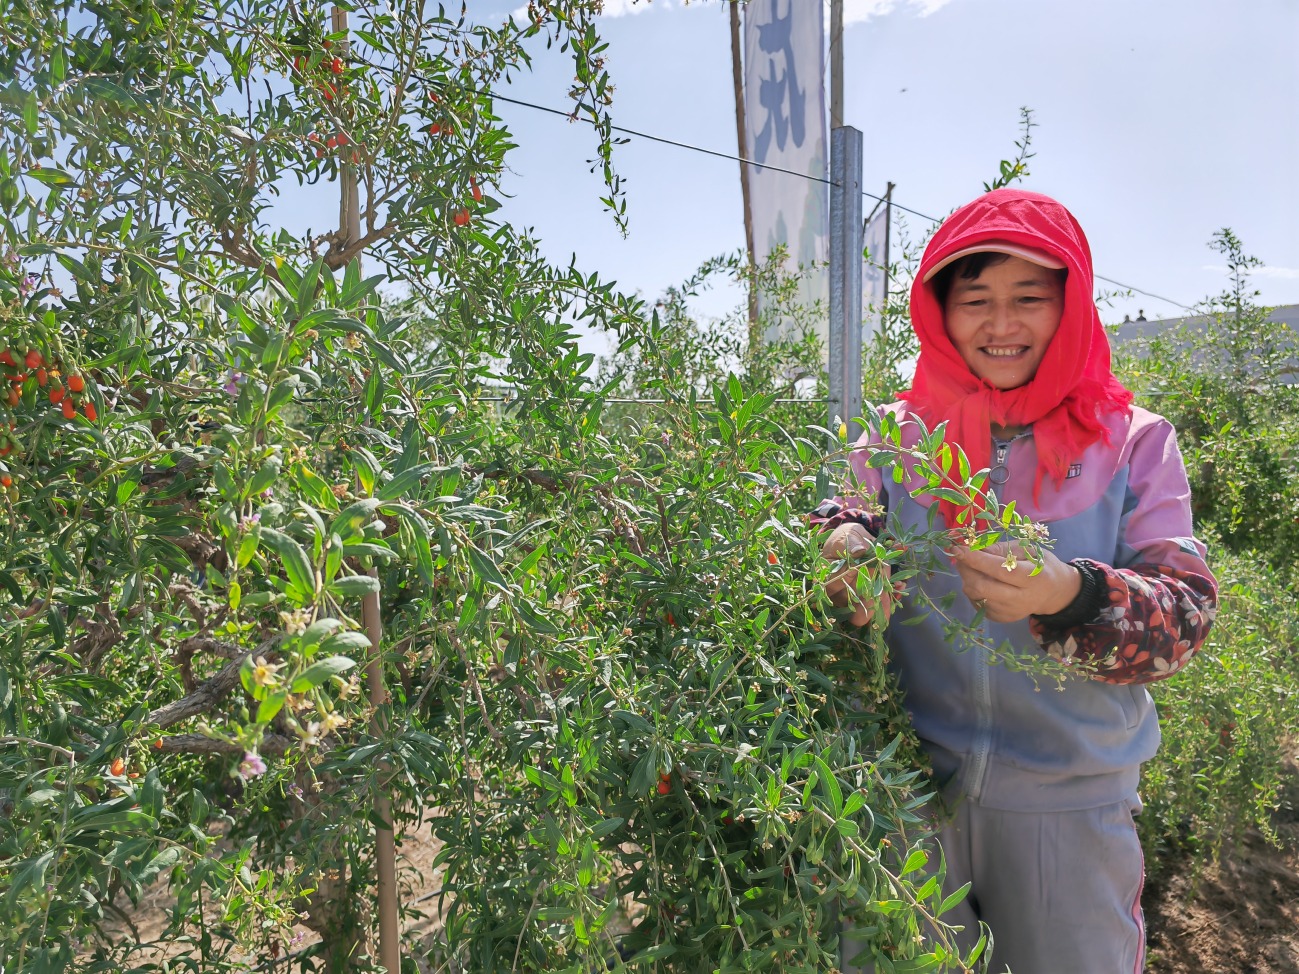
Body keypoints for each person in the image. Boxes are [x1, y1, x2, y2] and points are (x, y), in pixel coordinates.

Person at [813, 189, 1218, 973]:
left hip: (1068, 804)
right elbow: (836, 513)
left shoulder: (1132, 442)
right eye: (975, 301)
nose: (1000, 326)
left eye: (1027, 299)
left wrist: (1072, 594)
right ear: (939, 311)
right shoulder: (898, 434)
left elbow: (1185, 616)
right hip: (904, 791)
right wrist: (841, 540)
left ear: (1068, 305)